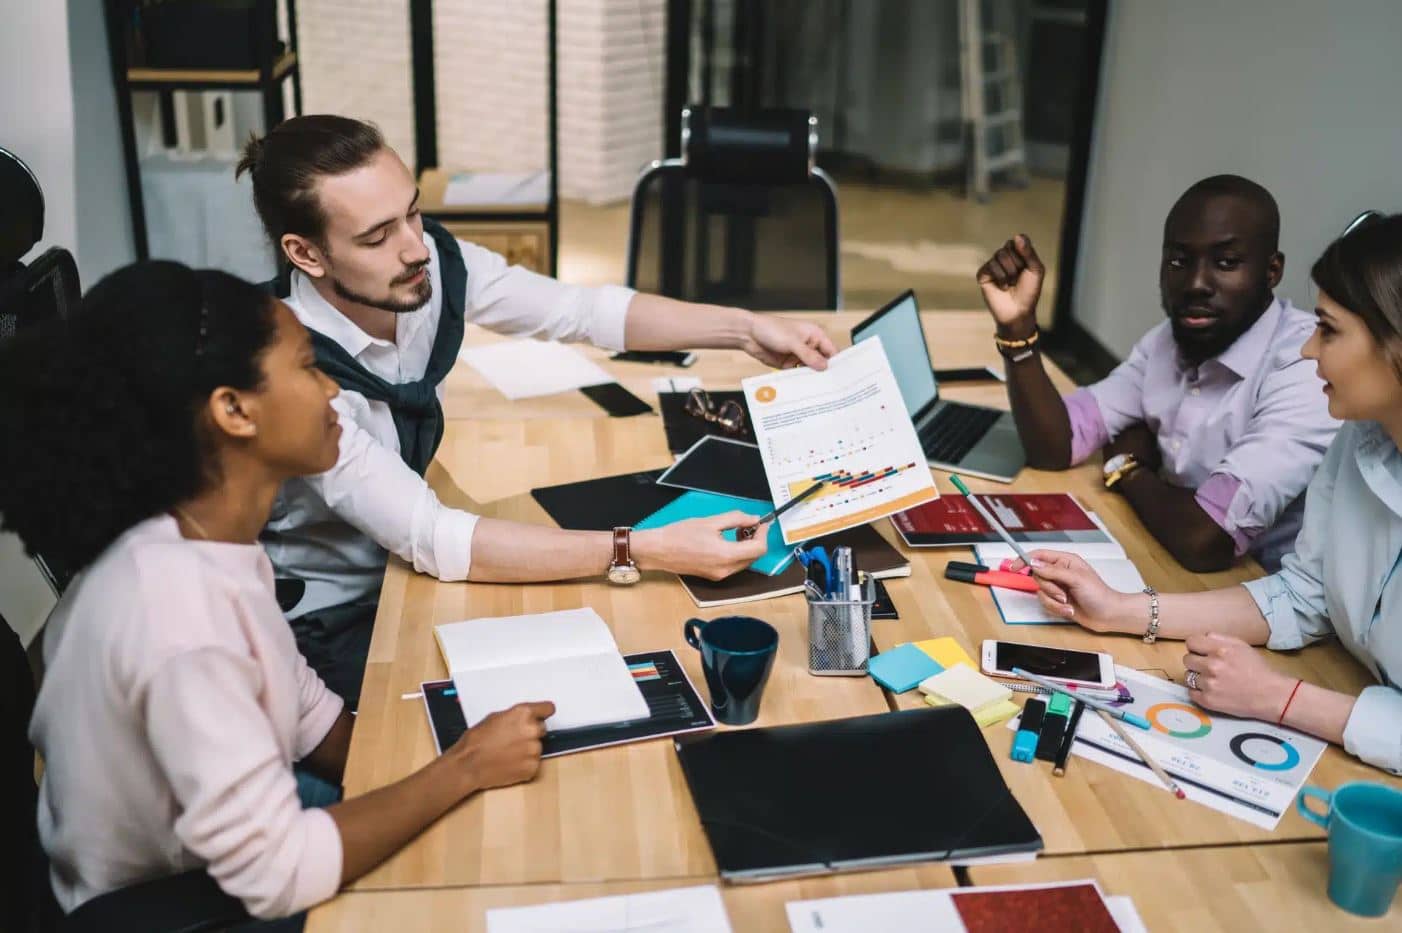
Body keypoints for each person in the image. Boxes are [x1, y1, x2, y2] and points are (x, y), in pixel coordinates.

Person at [2, 262, 556, 924]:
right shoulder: (177, 611)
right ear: (233, 410)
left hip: (215, 861)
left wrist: (434, 754)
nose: (332, 392)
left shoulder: (208, 537)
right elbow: (277, 872)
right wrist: (462, 766)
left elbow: (307, 714)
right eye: (308, 368)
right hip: (173, 907)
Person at [235, 115, 832, 704]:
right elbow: (435, 537)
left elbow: (580, 311)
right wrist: (639, 549)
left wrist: (746, 330)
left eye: (413, 212)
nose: (415, 248)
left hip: (415, 569)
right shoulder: (297, 378)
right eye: (377, 236)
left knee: (631, 644)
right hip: (338, 617)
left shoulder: (422, 267)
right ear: (305, 254)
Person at [1022, 213, 1402, 775]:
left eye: (1330, 330)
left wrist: (1282, 698)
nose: (1308, 351)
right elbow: (1301, 595)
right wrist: (1122, 610)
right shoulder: (1361, 436)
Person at [976, 175, 1338, 573]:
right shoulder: (1167, 342)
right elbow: (1056, 445)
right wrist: (1018, 332)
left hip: (1287, 608)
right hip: (1197, 580)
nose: (1196, 284)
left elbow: (1206, 539)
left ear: (1272, 271)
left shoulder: (1307, 365)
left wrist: (1128, 471)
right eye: (1179, 261)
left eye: (1226, 263)